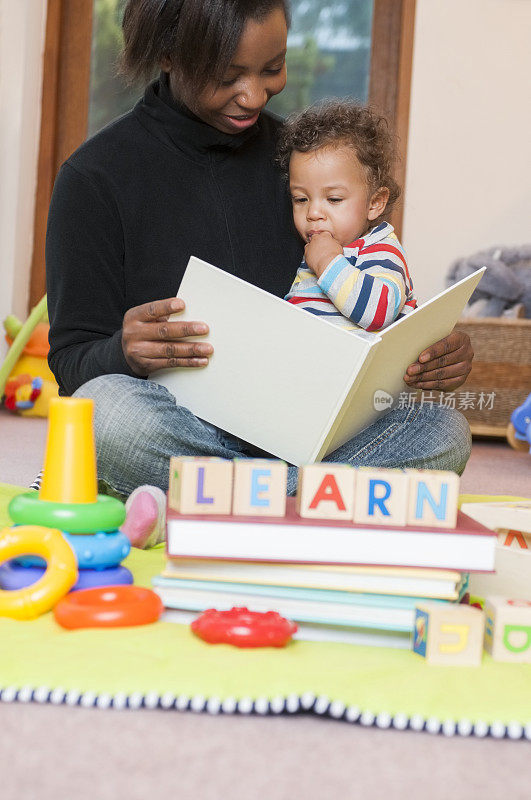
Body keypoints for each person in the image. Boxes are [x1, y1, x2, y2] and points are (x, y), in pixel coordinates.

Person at [45, 0, 474, 547]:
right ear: (170, 56)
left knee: (444, 432)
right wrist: (123, 351)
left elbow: (371, 282)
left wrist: (430, 348)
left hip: (314, 437)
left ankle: (222, 507)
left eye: (271, 68)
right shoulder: (94, 179)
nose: (253, 95)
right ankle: (307, 507)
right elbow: (73, 362)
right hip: (187, 431)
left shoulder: (304, 165)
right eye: (228, 77)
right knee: (106, 415)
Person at [279, 101, 416, 332]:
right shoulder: (317, 249)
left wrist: (327, 262)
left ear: (375, 203)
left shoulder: (381, 250)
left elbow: (379, 313)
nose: (313, 213)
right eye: (301, 199)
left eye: (333, 199)